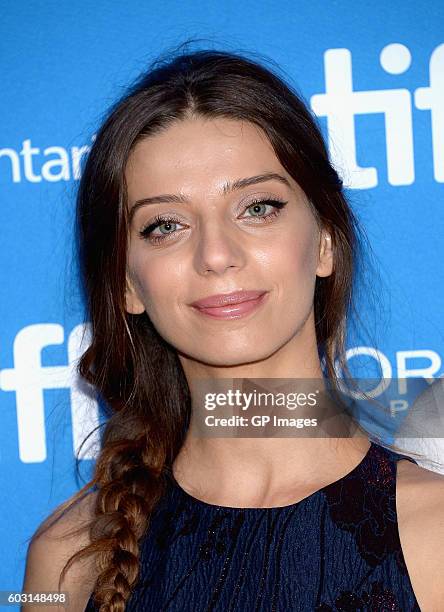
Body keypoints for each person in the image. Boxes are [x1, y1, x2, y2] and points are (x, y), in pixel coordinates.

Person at [22, 46, 444, 612]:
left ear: (324, 241)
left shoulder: (434, 535)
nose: (216, 255)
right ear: (124, 282)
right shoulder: (64, 565)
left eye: (258, 207)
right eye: (165, 225)